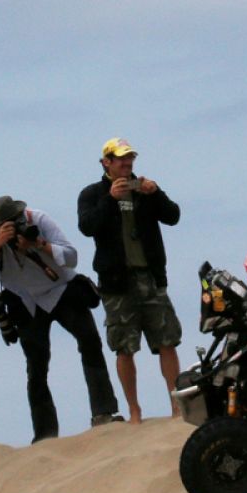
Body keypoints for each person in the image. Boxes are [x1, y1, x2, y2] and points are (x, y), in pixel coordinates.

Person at [0, 195, 123, 443]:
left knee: (90, 342)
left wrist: (40, 245)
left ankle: (104, 412)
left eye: (15, 221)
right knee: (36, 366)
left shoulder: (39, 219)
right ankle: (45, 435)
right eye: (4, 225)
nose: (12, 226)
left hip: (61, 290)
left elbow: (72, 256)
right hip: (25, 300)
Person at [78, 137, 183, 424]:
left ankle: (177, 406)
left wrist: (156, 193)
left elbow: (173, 216)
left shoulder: (145, 189)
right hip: (116, 283)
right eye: (121, 158)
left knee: (167, 340)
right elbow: (87, 227)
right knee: (124, 347)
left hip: (150, 277)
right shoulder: (92, 194)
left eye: (130, 158)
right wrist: (109, 199)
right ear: (106, 163)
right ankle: (135, 411)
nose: (127, 163)